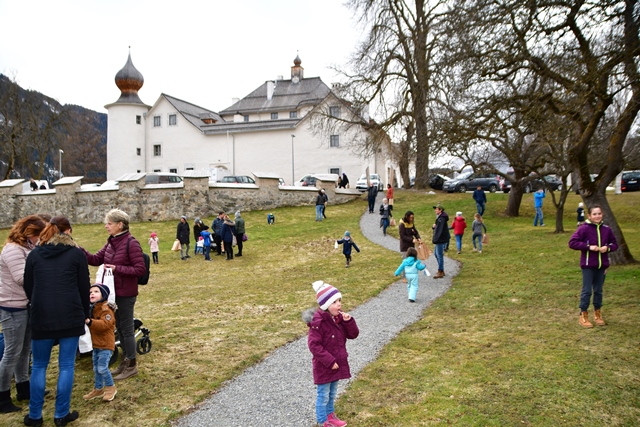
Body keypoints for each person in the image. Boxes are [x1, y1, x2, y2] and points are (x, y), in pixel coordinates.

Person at [23, 216, 90, 427]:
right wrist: (84, 310)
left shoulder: (35, 255)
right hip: (69, 313)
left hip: (42, 314)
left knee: (40, 366)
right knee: (66, 366)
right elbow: (83, 287)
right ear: (67, 231)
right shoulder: (76, 254)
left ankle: (36, 416)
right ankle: (60, 414)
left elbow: (29, 286)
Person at [81, 208, 146, 382]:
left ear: (120, 224)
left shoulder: (131, 243)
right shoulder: (111, 243)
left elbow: (140, 269)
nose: (106, 226)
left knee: (126, 329)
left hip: (125, 294)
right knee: (120, 330)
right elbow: (95, 259)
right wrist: (78, 250)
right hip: (113, 294)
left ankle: (131, 364)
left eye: (109, 223)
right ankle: (125, 362)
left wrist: (118, 269)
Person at [0, 215, 46, 413]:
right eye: (39, 235)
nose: (40, 240)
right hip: (12, 307)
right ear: (30, 233)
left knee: (25, 349)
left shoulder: (27, 247)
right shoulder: (13, 250)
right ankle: (2, 397)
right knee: (11, 353)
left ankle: (23, 388)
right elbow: (21, 278)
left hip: (25, 304)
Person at [302, 281, 359, 427]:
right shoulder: (318, 323)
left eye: (339, 300)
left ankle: (330, 416)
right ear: (326, 305)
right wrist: (329, 361)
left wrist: (348, 321)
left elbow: (353, 335)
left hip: (337, 364)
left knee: (332, 394)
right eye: (334, 302)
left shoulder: (338, 320)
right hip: (324, 366)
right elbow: (314, 345)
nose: (339, 304)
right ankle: (323, 421)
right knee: (323, 396)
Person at [569, 205, 618, 328]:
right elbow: (572, 243)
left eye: (599, 213)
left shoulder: (607, 229)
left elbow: (615, 244)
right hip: (588, 265)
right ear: (589, 216)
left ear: (602, 214)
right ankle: (583, 315)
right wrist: (589, 247)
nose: (597, 216)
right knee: (587, 291)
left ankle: (597, 313)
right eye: (594, 214)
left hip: (602, 266)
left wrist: (608, 248)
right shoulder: (584, 229)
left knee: (598, 291)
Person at [83, 284, 117, 402]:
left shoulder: (106, 310)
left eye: (96, 292)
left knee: (102, 368)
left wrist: (89, 321)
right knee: (96, 368)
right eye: (90, 292)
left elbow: (104, 325)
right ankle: (98, 388)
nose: (92, 294)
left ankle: (110, 388)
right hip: (96, 344)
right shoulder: (93, 308)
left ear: (103, 295)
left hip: (106, 345)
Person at [432, 204, 450, 279]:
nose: (435, 210)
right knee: (436, 254)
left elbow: (439, 230)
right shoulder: (440, 218)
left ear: (440, 210)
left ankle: (440, 271)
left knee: (439, 255)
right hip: (440, 239)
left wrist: (435, 239)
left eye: (436, 209)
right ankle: (441, 269)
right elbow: (437, 228)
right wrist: (434, 227)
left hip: (440, 239)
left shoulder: (441, 219)